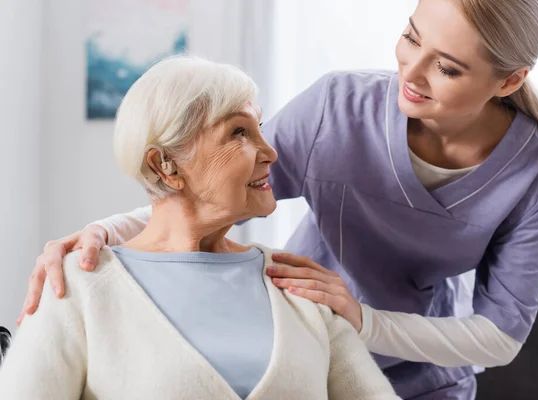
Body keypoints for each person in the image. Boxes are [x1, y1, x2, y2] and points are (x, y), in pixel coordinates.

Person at [21, 0, 538, 398]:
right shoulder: (337, 110)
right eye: (412, 36)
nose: (408, 73)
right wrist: (103, 233)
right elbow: (206, 192)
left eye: (447, 67)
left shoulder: (535, 165)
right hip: (304, 355)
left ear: (508, 82)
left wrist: (362, 319)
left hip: (425, 378)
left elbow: (500, 336)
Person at [0, 56, 399, 399]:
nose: (271, 152)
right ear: (165, 166)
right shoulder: (79, 286)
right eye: (239, 132)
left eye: (259, 128)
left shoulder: (299, 286)